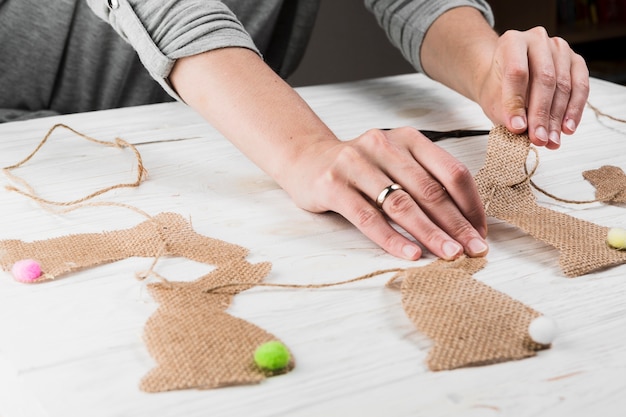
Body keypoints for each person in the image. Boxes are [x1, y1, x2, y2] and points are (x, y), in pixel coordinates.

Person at [0, 0, 589, 262]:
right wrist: (307, 151)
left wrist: (491, 69)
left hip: (204, 128)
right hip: (35, 146)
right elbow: (168, 8)